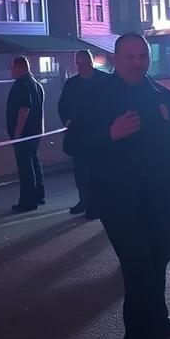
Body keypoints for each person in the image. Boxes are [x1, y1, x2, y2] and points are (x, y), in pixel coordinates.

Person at [72, 32, 170, 339]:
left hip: (160, 197)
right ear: (116, 58)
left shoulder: (162, 95)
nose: (138, 62)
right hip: (119, 201)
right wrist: (108, 134)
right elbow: (73, 143)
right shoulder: (96, 95)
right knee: (138, 267)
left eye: (143, 56)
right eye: (130, 56)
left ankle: (157, 315)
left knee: (160, 258)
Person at [58, 49, 111, 217]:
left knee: (100, 169)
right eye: (78, 63)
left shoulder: (105, 80)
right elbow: (63, 105)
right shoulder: (72, 84)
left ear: (90, 62)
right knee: (81, 171)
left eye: (83, 62)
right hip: (79, 134)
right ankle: (85, 201)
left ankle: (99, 203)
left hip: (100, 133)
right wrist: (66, 121)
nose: (80, 66)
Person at [7, 56, 46, 212]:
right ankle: (39, 194)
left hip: (24, 134)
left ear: (19, 67)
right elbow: (40, 111)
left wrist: (17, 133)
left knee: (25, 167)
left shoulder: (21, 85)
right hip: (34, 132)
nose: (11, 70)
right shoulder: (36, 84)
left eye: (12, 67)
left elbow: (24, 109)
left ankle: (28, 200)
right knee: (34, 163)